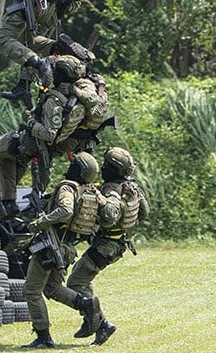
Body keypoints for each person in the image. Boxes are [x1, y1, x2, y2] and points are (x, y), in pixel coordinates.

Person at [0, 55, 92, 221]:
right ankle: (8, 203)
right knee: (8, 158)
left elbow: (49, 133)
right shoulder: (78, 98)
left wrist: (30, 120)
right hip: (48, 147)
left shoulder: (55, 100)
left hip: (33, 142)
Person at [21, 152, 112, 348]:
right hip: (66, 247)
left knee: (31, 291)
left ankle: (43, 337)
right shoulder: (89, 191)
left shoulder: (68, 188)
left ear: (77, 169)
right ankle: (88, 307)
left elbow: (65, 210)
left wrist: (41, 222)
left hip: (52, 244)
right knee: (52, 288)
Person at [66, 147, 149, 345]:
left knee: (75, 283)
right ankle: (97, 323)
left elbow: (110, 215)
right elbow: (144, 212)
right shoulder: (131, 186)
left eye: (106, 165)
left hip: (106, 245)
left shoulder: (111, 189)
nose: (102, 168)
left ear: (114, 169)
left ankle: (101, 324)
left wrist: (101, 199)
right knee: (83, 279)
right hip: (116, 243)